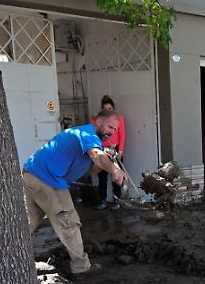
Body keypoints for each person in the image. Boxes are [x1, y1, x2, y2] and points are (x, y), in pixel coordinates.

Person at [23, 110, 127, 274]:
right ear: (98, 122)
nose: (112, 132)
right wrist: (115, 170)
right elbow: (96, 155)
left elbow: (91, 169)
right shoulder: (87, 133)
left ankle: (8, 256)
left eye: (115, 129)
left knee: (28, 221)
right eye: (109, 127)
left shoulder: (86, 137)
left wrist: (107, 158)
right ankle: (82, 268)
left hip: (31, 174)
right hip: (48, 178)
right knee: (69, 222)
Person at [94, 95, 126, 210]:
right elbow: (95, 135)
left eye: (110, 109)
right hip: (102, 150)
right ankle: (103, 200)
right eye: (105, 109)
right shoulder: (98, 120)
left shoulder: (119, 119)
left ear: (113, 108)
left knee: (117, 176)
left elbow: (122, 136)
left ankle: (117, 200)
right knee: (102, 177)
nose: (108, 111)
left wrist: (120, 151)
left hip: (115, 150)